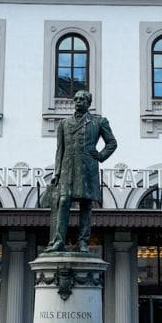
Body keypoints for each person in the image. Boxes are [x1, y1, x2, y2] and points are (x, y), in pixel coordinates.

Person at [44, 90, 117, 253]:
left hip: (87, 169)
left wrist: (100, 155)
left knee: (86, 205)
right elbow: (59, 150)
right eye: (76, 99)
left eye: (82, 99)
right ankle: (59, 241)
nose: (78, 101)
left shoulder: (98, 122)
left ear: (88, 103)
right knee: (63, 202)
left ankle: (83, 242)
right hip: (67, 169)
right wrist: (56, 173)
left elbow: (112, 143)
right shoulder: (64, 123)